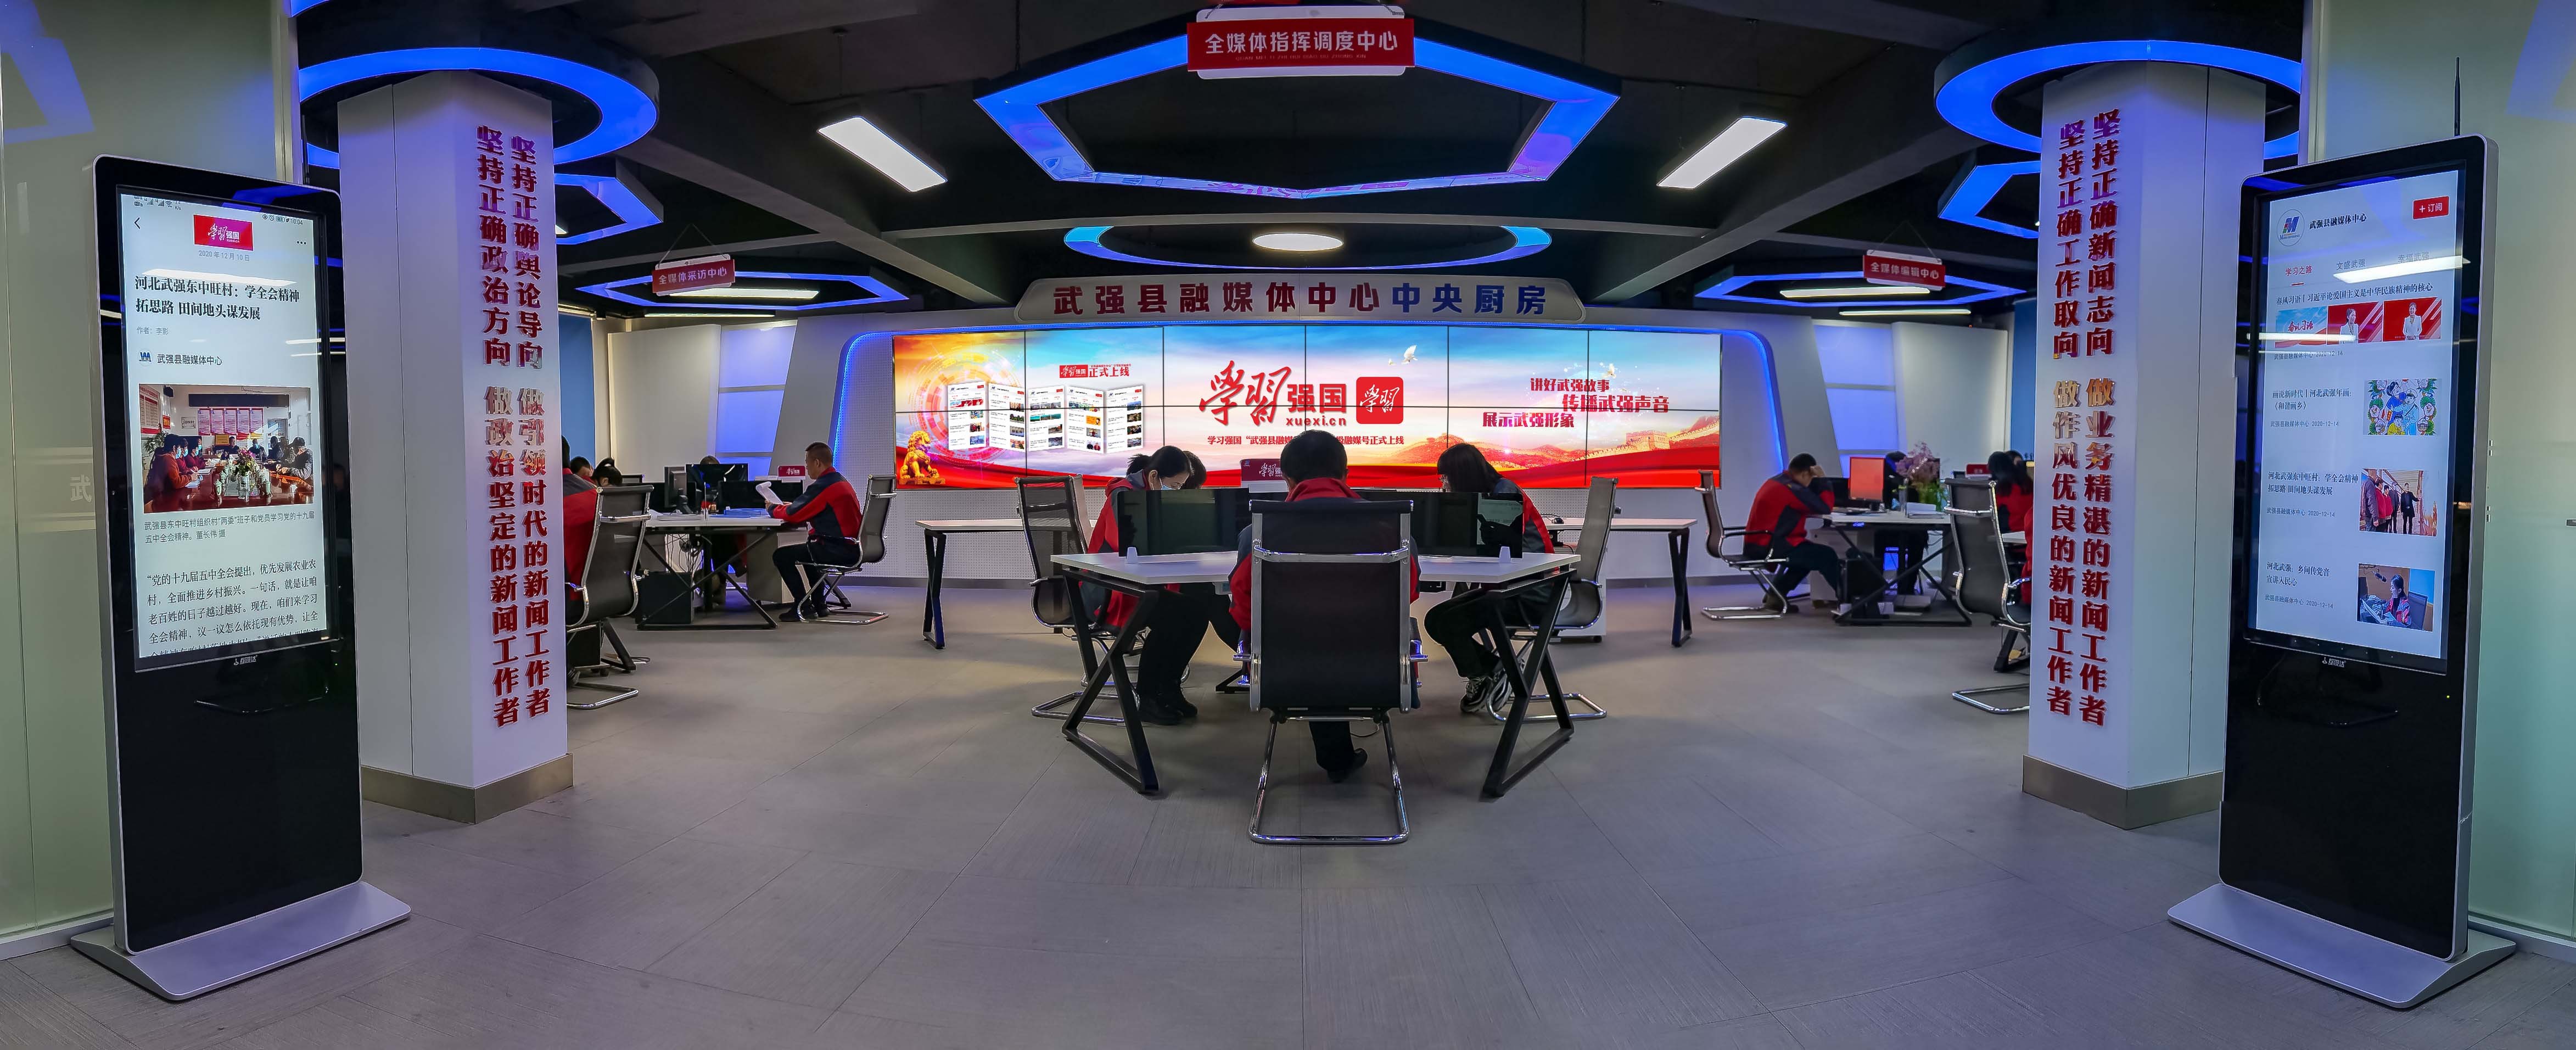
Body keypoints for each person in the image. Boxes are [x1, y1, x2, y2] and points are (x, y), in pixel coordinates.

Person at [1228, 430, 1412, 782]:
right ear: (1345, 474)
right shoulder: (1392, 528)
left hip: (1283, 671)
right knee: (1339, 634)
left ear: (1287, 479)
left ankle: (1336, 757)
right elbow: (1409, 593)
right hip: (1376, 668)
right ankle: (1338, 758)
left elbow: (1244, 609)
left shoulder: (1258, 533)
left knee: (1307, 636)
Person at [1089, 446, 1236, 723]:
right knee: (1176, 616)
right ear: (1155, 476)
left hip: (1143, 584)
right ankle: (1148, 698)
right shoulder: (1124, 496)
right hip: (1115, 590)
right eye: (1176, 486)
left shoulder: (1149, 494)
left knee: (1198, 610)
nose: (1177, 492)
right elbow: (1130, 546)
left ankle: (1169, 689)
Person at [1419, 443, 1553, 711]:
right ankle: (1497, 669)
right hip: (1506, 588)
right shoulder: (1489, 493)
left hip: (1530, 592)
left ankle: (1484, 675)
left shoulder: (1504, 495)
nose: (1445, 484)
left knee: (1449, 623)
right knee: (1435, 619)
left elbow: (1499, 550)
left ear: (1463, 475)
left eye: (1447, 477)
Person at [766, 443, 865, 622]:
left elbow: (793, 515)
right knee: (811, 551)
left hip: (837, 548)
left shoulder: (824, 486)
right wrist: (795, 507)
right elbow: (812, 508)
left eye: (807, 463)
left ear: (817, 463)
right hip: (851, 546)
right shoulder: (841, 482)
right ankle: (819, 605)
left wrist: (772, 509)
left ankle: (803, 605)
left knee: (781, 556)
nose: (806, 467)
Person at [1745, 453, 1843, 612]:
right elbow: (1825, 508)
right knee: (1826, 556)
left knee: (1809, 555)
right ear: (1805, 474)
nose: (1810, 483)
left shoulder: (1777, 482)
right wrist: (1824, 480)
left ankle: (1776, 595)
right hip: (1773, 546)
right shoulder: (1793, 489)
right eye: (1811, 478)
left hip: (1760, 543)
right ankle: (1848, 601)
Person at [1986, 450, 2032, 534]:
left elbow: (1988, 511)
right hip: (2030, 532)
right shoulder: (2026, 482)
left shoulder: (2002, 488)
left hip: (2011, 534)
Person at [143, 439, 187, 514]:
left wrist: (186, 473)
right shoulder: (168, 458)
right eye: (179, 448)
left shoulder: (165, 457)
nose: (180, 450)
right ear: (174, 448)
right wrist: (190, 478)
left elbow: (173, 475)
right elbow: (176, 482)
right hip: (160, 499)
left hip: (159, 497)